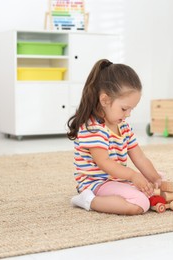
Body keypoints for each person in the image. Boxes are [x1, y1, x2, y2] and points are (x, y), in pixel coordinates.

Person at [67, 59, 162, 215]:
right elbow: (104, 163)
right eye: (124, 108)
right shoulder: (94, 128)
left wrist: (156, 179)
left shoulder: (123, 126)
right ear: (104, 100)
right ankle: (87, 200)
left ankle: (142, 185)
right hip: (95, 183)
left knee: (151, 182)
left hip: (115, 180)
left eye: (131, 109)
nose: (128, 114)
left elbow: (140, 157)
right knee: (140, 204)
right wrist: (133, 176)